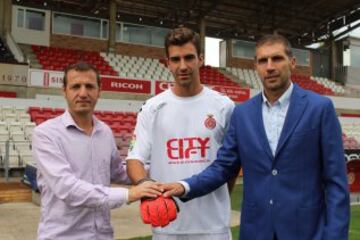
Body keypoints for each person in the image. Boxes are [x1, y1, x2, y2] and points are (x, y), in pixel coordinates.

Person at [162, 34, 350, 240]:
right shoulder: (242, 114)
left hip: (305, 231)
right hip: (256, 231)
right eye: (263, 60)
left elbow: (336, 182)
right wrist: (184, 186)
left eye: (276, 58)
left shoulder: (319, 108)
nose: (269, 67)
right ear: (256, 66)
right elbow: (223, 167)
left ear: (292, 62)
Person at [126, 27, 235, 240]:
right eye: (175, 59)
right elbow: (134, 159)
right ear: (167, 62)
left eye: (189, 58)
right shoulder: (152, 107)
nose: (182, 66)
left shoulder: (224, 106)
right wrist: (144, 186)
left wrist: (219, 197)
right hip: (167, 227)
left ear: (201, 59)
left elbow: (231, 166)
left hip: (213, 227)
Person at [32, 62, 162, 240]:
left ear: (99, 90)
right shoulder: (46, 134)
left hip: (102, 235)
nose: (83, 93)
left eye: (90, 86)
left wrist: (161, 167)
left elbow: (117, 172)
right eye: (76, 86)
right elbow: (67, 189)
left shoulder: (105, 131)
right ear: (64, 91)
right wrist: (129, 194)